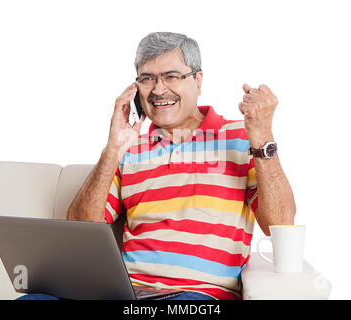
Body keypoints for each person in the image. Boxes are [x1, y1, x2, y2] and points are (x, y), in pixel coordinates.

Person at [19, 32, 296, 300]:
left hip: (196, 296)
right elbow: (81, 231)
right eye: (147, 79)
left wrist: (262, 136)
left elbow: (280, 226)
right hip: (122, 293)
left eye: (172, 76)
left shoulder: (240, 137)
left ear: (198, 81)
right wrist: (113, 149)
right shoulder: (129, 148)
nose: (158, 89)